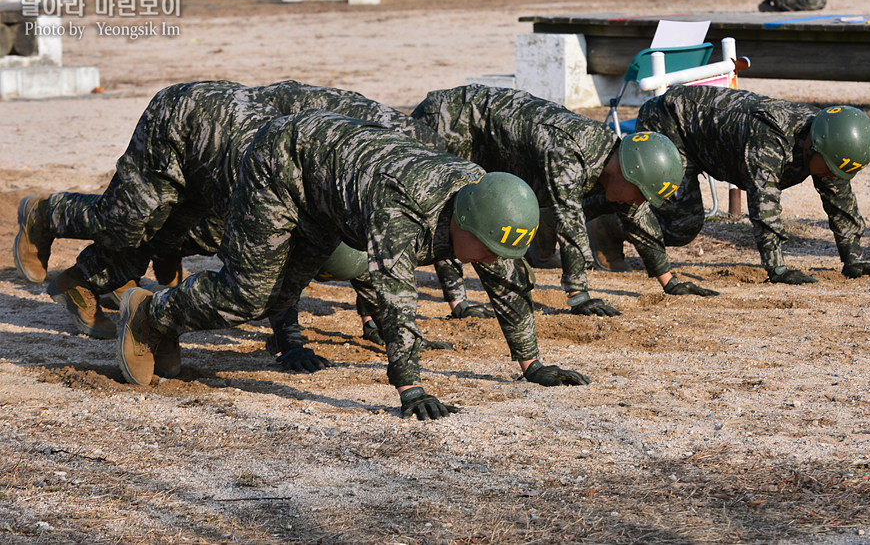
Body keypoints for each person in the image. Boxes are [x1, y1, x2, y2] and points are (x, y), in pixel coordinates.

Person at [118, 110, 591, 420]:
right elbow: (395, 300)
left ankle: (169, 319)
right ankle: (148, 314)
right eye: (484, 249)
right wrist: (411, 388)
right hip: (283, 163)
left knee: (282, 294)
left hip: (330, 188)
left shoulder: (484, 200)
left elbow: (507, 282)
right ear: (461, 220)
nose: (489, 261)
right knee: (250, 294)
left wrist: (532, 363)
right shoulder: (403, 210)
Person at [13, 80, 491, 342]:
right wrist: (289, 332)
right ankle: (45, 214)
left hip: (239, 157)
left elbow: (369, 252)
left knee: (173, 231)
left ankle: (84, 281)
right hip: (193, 126)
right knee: (126, 220)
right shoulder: (361, 167)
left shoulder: (395, 170)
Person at [410, 84, 700, 319]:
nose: (638, 201)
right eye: (639, 193)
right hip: (449, 121)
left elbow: (638, 216)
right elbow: (568, 220)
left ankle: (458, 303)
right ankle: (457, 303)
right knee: (454, 212)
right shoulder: (568, 151)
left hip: (486, 137)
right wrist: (579, 295)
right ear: (628, 174)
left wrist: (668, 280)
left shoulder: (614, 162)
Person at [630, 85, 870, 284]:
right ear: (813, 147)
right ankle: (612, 222)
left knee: (682, 225)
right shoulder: (770, 140)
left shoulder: (828, 138)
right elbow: (763, 206)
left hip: (705, 137)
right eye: (828, 169)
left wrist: (852, 259)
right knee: (682, 225)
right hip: (670, 121)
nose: (831, 177)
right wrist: (777, 269)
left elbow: (840, 198)